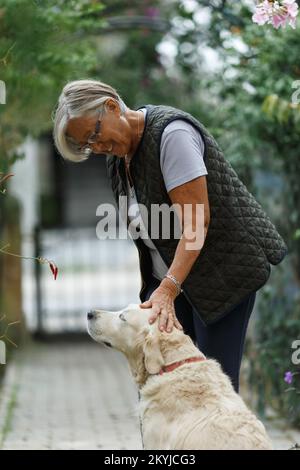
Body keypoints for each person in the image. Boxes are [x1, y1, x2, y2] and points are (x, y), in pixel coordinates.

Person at [53, 79, 287, 392]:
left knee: (210, 393)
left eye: (94, 134)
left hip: (221, 278)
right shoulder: (118, 157)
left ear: (111, 106)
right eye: (87, 145)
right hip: (170, 287)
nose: (97, 147)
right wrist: (157, 287)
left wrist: (167, 288)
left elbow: (195, 223)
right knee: (163, 386)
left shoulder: (172, 135)